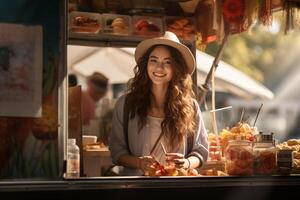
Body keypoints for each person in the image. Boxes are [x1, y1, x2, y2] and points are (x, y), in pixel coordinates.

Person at [109, 31, 208, 176]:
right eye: (153, 60)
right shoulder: (125, 105)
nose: (159, 68)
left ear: (177, 67)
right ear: (145, 65)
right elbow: (116, 152)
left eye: (168, 62)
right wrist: (139, 163)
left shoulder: (191, 107)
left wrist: (186, 163)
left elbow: (201, 151)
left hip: (175, 188)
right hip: (135, 190)